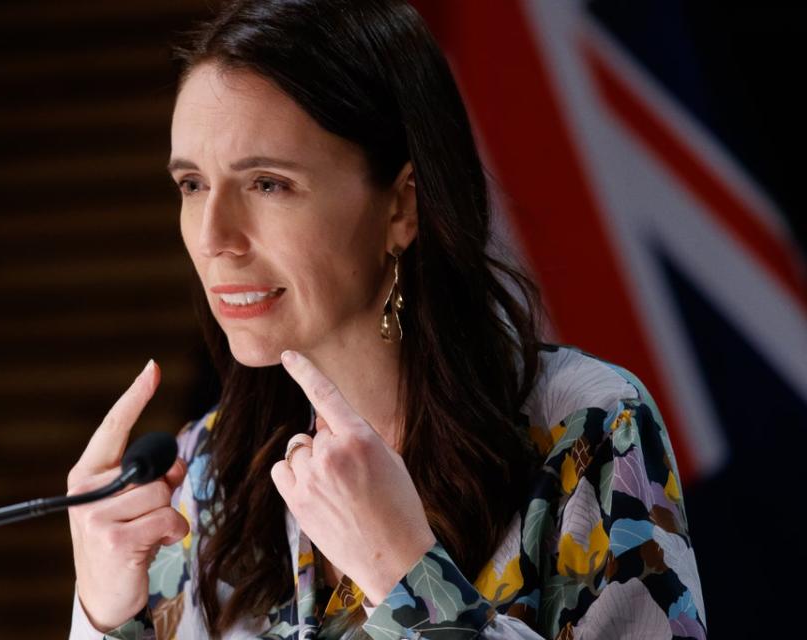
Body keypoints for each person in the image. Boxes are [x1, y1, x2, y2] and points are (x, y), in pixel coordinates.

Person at [67, 0, 707, 638]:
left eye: (268, 183)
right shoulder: (200, 474)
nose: (214, 238)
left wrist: (406, 577)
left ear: (402, 206)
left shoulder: (587, 428)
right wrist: (104, 618)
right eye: (192, 185)